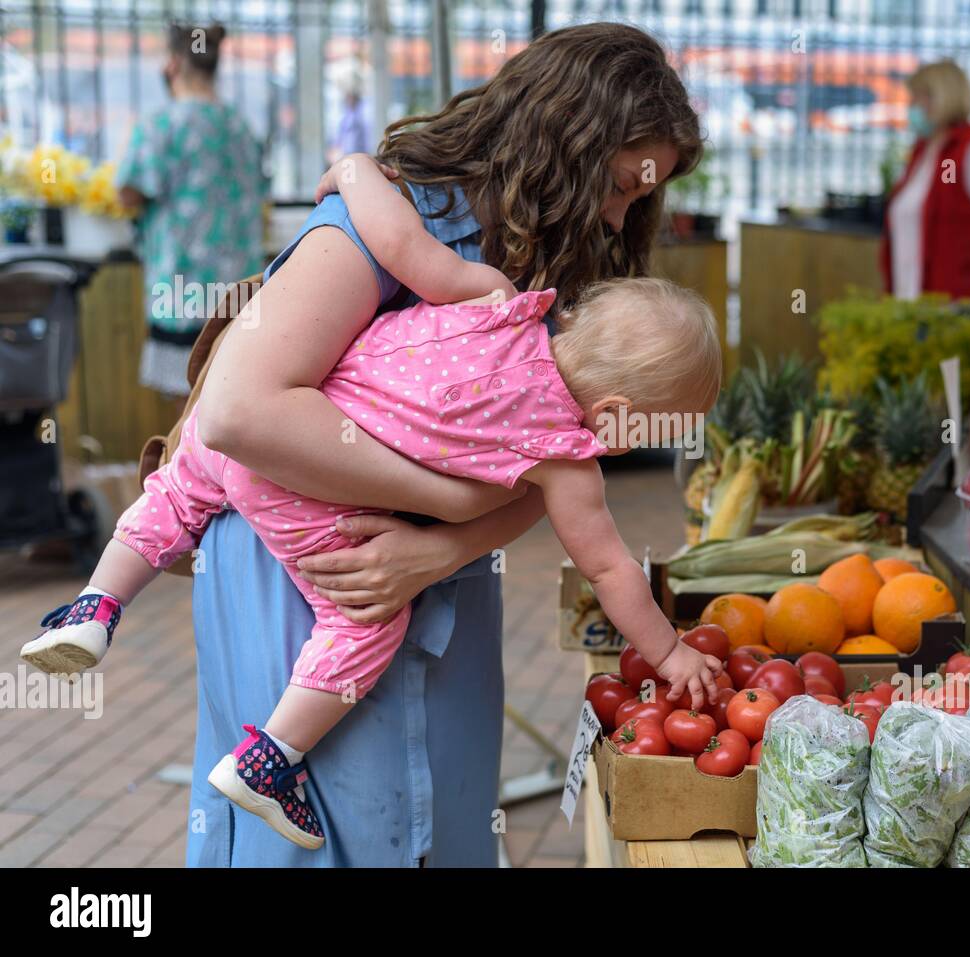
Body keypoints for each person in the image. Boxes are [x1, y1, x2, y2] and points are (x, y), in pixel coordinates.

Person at [22, 177, 722, 846]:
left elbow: (398, 242)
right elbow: (607, 566)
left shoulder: (494, 295)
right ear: (618, 415)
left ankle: (96, 605)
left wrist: (355, 173)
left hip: (265, 417)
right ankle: (270, 756)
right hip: (312, 488)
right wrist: (666, 649)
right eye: (657, 430)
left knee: (174, 490)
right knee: (368, 620)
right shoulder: (566, 461)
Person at [152, 22, 698, 867]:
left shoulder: (539, 258)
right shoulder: (396, 220)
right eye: (623, 185)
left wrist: (438, 550)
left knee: (431, 830)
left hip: (419, 584)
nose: (620, 214)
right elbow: (237, 414)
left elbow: (542, 480)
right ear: (570, 139)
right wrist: (444, 507)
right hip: (305, 576)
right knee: (312, 840)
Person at [115, 22, 267, 400]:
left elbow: (128, 192)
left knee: (190, 410)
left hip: (183, 290)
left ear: (173, 64)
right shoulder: (241, 126)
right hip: (239, 292)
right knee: (232, 395)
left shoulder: (160, 124)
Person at [880, 59, 970, 311]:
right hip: (915, 302)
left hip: (964, 306)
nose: (910, 108)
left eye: (917, 99)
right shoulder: (923, 152)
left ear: (940, 98)